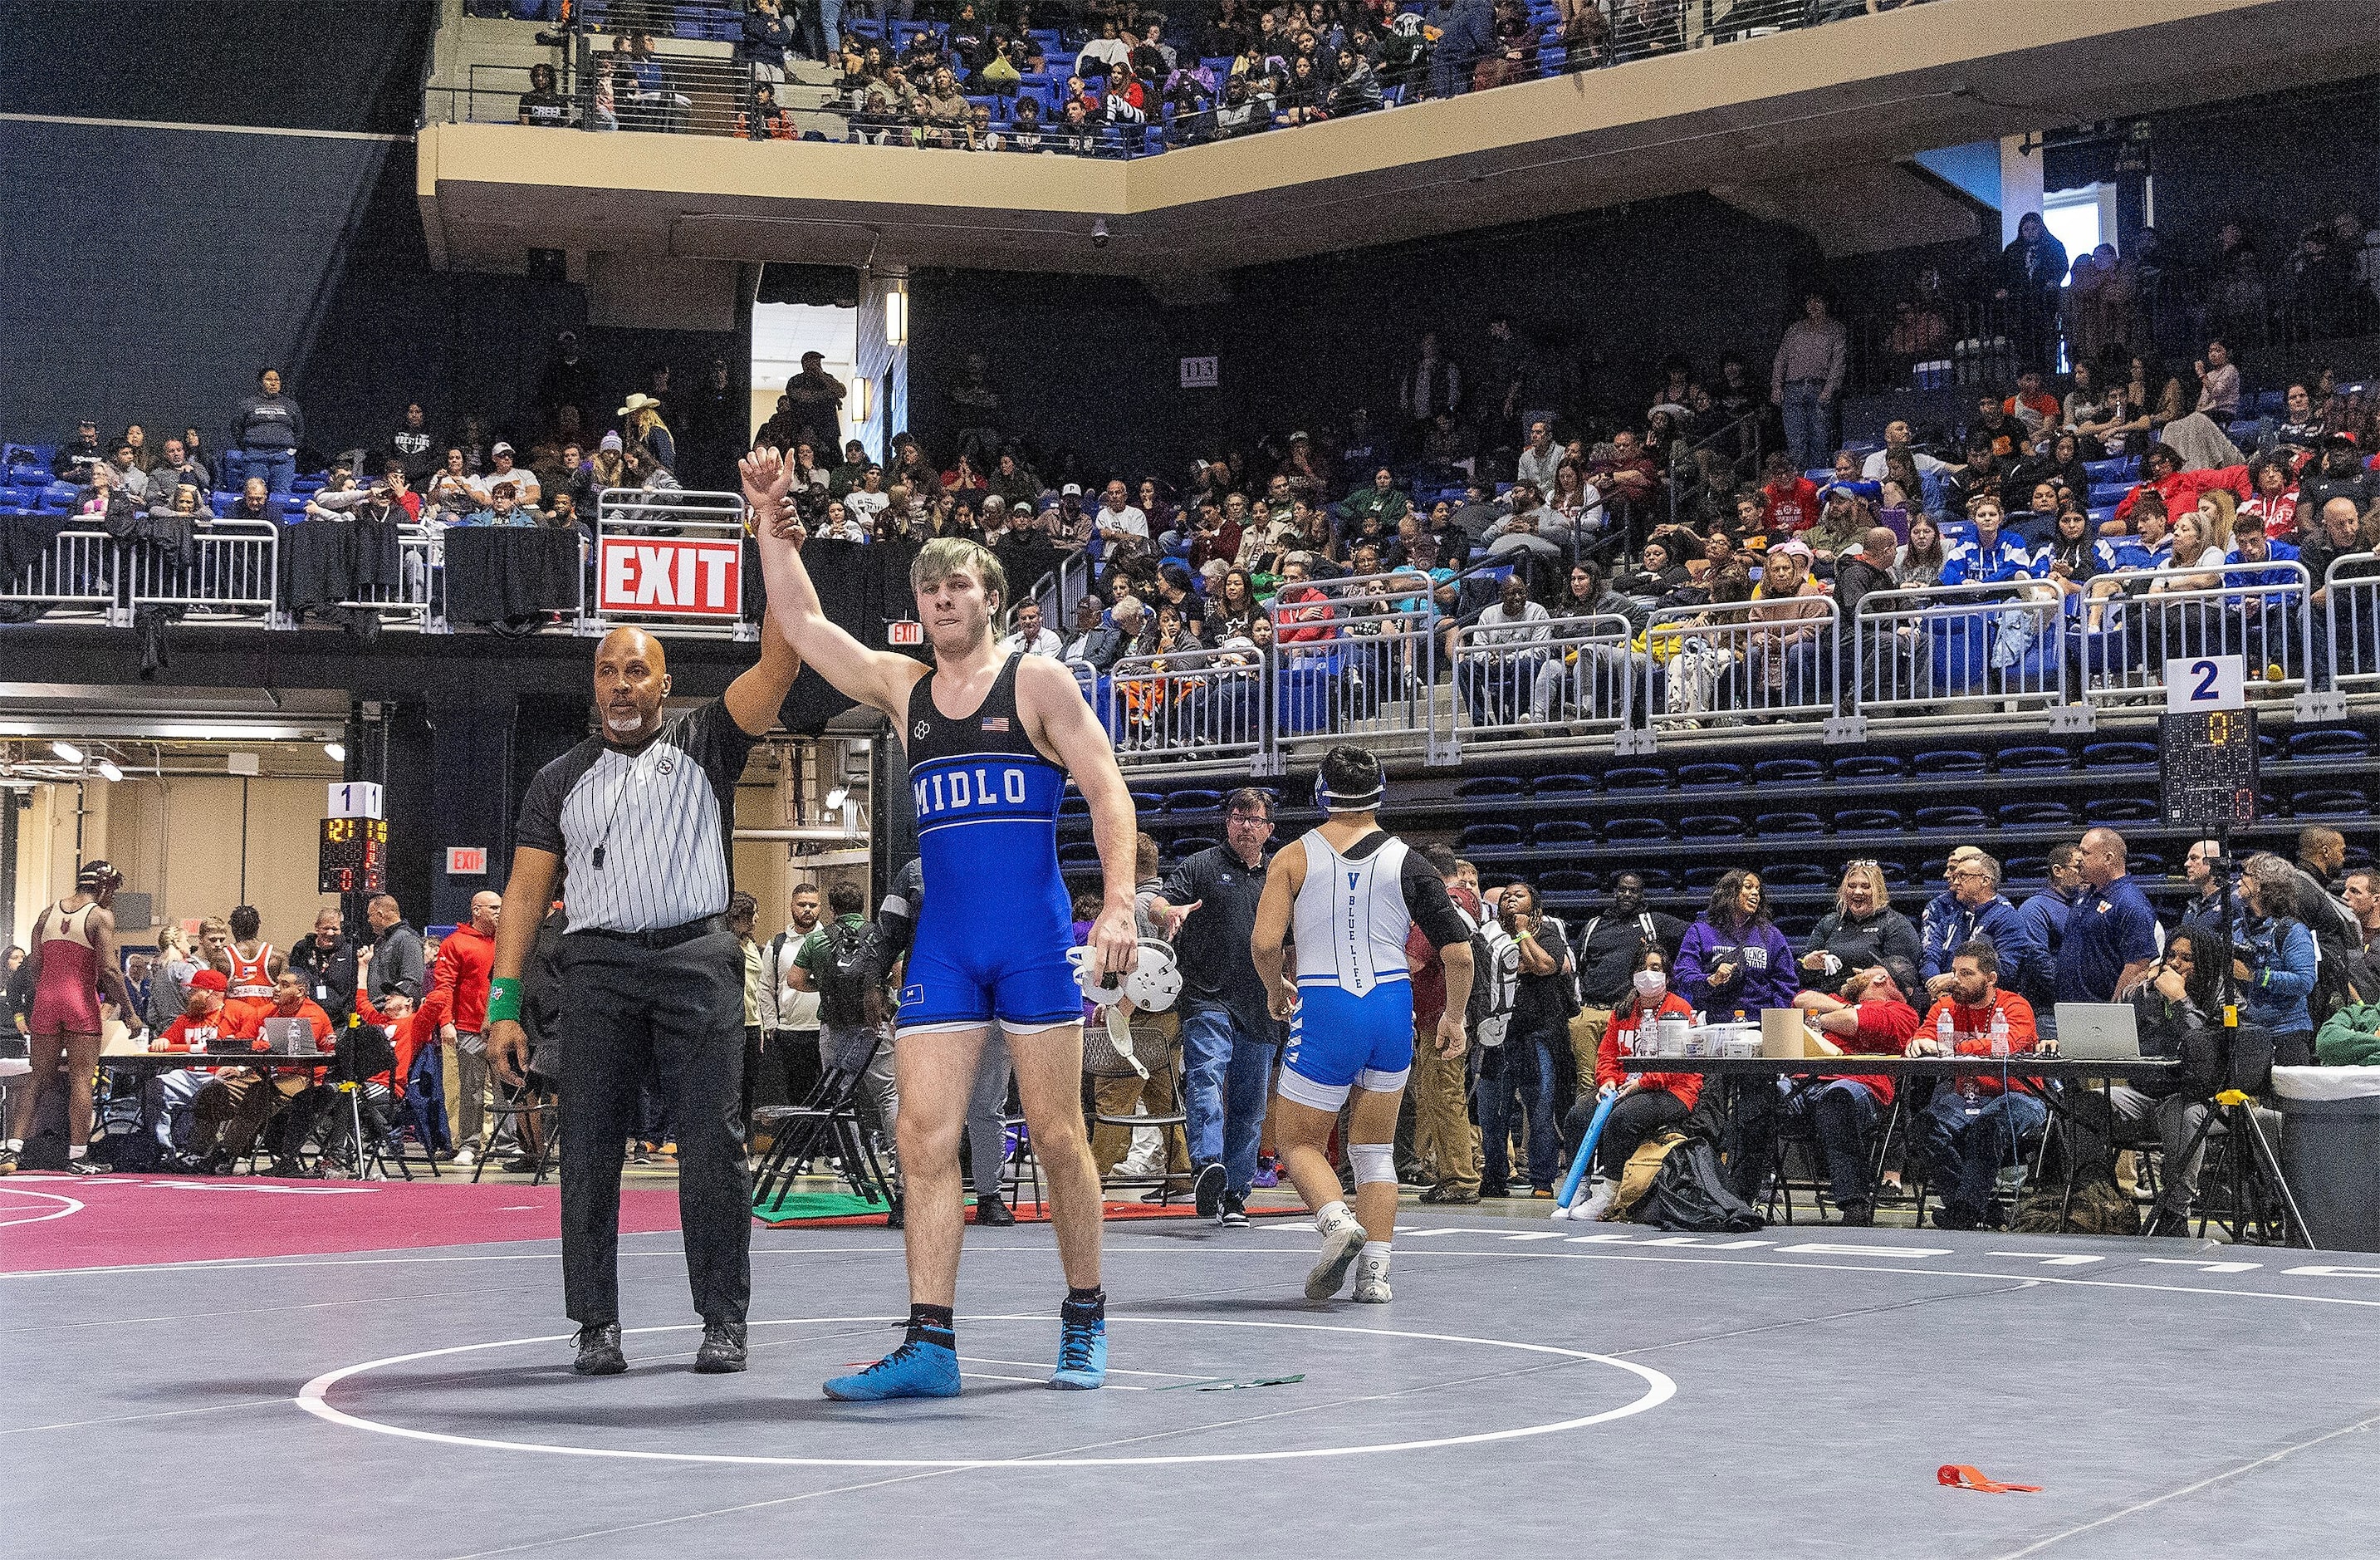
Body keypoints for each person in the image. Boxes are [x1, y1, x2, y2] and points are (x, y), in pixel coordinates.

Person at [745, 446, 1138, 1398]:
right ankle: (931, 1344)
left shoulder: (1039, 685)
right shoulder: (902, 690)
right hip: (949, 950)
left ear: (990, 598)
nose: (940, 601)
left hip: (1036, 942)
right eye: (927, 590)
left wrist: (1119, 903)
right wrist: (768, 519)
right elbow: (801, 622)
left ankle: (1084, 1315)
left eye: (956, 586)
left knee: (1054, 1136)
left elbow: (1106, 791)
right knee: (924, 1139)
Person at [483, 593, 803, 1377]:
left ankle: (723, 1320)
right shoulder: (560, 778)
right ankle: (596, 1324)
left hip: (697, 960)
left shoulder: (708, 741)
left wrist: (772, 541)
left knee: (713, 1148)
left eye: (637, 671)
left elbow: (779, 664)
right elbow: (525, 894)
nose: (620, 684)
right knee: (588, 1149)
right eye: (606, 672)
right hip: (597, 972)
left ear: (666, 685)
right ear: (593, 686)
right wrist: (505, 1004)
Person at [1250, 745, 1473, 1303]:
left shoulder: (1293, 858)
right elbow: (1461, 954)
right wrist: (1454, 1016)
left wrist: (1276, 987)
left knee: (1295, 1142)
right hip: (1391, 1009)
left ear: (1322, 793)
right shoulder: (1411, 862)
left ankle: (1336, 1222)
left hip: (1326, 1006)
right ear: (1379, 793)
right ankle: (1375, 1274)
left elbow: (1264, 943)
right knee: (1373, 1151)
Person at [1143, 788, 1284, 1226]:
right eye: (1237, 816)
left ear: (1268, 829)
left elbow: (1292, 939)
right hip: (1206, 997)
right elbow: (1159, 904)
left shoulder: (1278, 877)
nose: (1244, 825)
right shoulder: (1200, 866)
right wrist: (1168, 913)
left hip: (1260, 1004)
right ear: (1227, 823)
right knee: (1205, 1077)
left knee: (1249, 1104)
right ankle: (1207, 1165)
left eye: (1253, 818)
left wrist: (1288, 982)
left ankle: (1235, 1195)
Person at [0, 861, 142, 1175]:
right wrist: (130, 1013)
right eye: (113, 891)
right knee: (81, 1080)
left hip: (47, 1001)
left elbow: (34, 965)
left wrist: (43, 997)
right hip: (79, 1001)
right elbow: (108, 969)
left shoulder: (46, 913)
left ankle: (10, 1151)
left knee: (36, 1077)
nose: (113, 898)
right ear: (103, 887)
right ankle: (77, 1157)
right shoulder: (100, 916)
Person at [1911, 940, 2043, 1230]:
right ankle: (1976, 1206)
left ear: (1991, 979)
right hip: (1968, 1095)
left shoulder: (2014, 1005)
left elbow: (2011, 1044)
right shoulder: (1947, 1006)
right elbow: (1924, 1035)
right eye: (1954, 972)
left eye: (1967, 973)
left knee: (1987, 1124)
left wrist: (1954, 1047)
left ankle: (1965, 1212)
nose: (1956, 980)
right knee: (1923, 1125)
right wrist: (1918, 1043)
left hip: (2019, 1095)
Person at [1560, 941, 1694, 1220]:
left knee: (1623, 1117)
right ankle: (1579, 1188)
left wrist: (1642, 1084)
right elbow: (1607, 1054)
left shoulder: (1679, 1009)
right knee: (1577, 1115)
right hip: (1622, 1087)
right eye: (1642, 968)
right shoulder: (1622, 1010)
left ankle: (1608, 1194)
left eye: (1655, 968)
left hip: (1673, 1090)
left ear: (1667, 976)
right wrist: (1607, 1081)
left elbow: (1678, 1064)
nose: (1648, 974)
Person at [1474, 880, 1573, 1199]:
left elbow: (1544, 966)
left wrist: (1523, 933)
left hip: (1537, 1034)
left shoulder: (1549, 932)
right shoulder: (1489, 934)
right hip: (1498, 1035)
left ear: (1534, 902)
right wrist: (1520, 956)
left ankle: (1543, 1181)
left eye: (1519, 895)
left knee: (1540, 1109)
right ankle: (1495, 1177)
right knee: (1492, 1113)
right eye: (1506, 896)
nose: (1511, 900)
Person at [431, 892, 502, 1170]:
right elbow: (444, 985)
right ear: (476, 910)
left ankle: (505, 1145)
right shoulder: (455, 943)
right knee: (469, 1091)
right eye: (494, 908)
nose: (499, 912)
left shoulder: (506, 943)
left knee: (504, 1090)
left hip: (500, 1028)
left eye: (501, 907)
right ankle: (470, 1144)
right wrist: (445, 1021)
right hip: (467, 1028)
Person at [2057, 827, 2162, 1006]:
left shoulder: (2131, 903)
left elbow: (2137, 965)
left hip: (2103, 1010)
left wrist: (2115, 1009)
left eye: (2085, 852)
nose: (2079, 858)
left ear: (2108, 858)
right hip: (2071, 1006)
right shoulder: (2085, 892)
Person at [1676, 870, 1797, 1018]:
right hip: (1713, 1023)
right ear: (1730, 892)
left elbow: (1786, 983)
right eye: (1748, 887)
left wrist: (1776, 1020)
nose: (1755, 893)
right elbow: (1684, 975)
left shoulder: (1771, 935)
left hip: (1758, 1025)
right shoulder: (1701, 931)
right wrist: (1710, 980)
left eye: (1758, 889)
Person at [1800, 859, 1922, 998]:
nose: (1857, 892)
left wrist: (1864, 980)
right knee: (1803, 999)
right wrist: (1807, 963)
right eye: (1852, 886)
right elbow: (1799, 969)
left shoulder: (1896, 924)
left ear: (1878, 890)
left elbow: (1904, 978)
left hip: (1874, 1002)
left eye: (1865, 886)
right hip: (1831, 1000)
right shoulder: (1829, 922)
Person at [1771, 292, 1847, 469]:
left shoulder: (1836, 329)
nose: (1813, 305)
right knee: (1796, 443)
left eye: (1818, 300)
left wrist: (1829, 389)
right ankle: (1798, 485)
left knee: (1820, 442)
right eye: (1809, 301)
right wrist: (1776, 386)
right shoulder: (1795, 329)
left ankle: (1817, 487)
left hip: (1818, 387)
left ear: (1826, 304)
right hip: (1793, 388)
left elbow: (1838, 361)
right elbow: (1781, 358)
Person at [231, 367, 304, 495]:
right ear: (261, 382)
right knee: (254, 493)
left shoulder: (290, 405)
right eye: (269, 380)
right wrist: (248, 447)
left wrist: (291, 451)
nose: (273, 383)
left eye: (276, 380)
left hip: (283, 458)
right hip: (255, 456)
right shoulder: (248, 403)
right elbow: (236, 428)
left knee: (281, 496)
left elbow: (300, 430)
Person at [285, 908, 359, 1026]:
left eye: (335, 929)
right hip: (307, 1018)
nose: (330, 933)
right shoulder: (302, 949)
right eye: (326, 928)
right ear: (317, 927)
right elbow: (293, 981)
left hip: (340, 1022)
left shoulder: (350, 952)